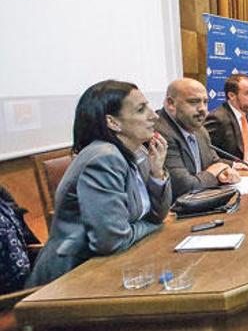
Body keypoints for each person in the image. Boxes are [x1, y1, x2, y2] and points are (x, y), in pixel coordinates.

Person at [27, 80, 172, 287]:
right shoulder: (104, 157)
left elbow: (158, 214)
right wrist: (153, 226)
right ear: (113, 122)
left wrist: (157, 172)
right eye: (141, 110)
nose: (154, 115)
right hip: (70, 279)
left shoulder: (137, 152)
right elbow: (112, 240)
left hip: (112, 266)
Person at [155, 78, 240, 200]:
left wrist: (224, 171)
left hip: (203, 201)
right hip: (175, 213)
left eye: (205, 102)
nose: (203, 109)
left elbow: (215, 162)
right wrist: (213, 173)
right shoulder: (161, 132)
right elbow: (185, 188)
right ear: (171, 103)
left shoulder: (200, 130)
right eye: (194, 102)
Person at [205, 74, 248, 163]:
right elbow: (206, 153)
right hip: (229, 173)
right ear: (231, 95)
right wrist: (232, 165)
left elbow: (244, 144)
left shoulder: (246, 113)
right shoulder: (218, 118)